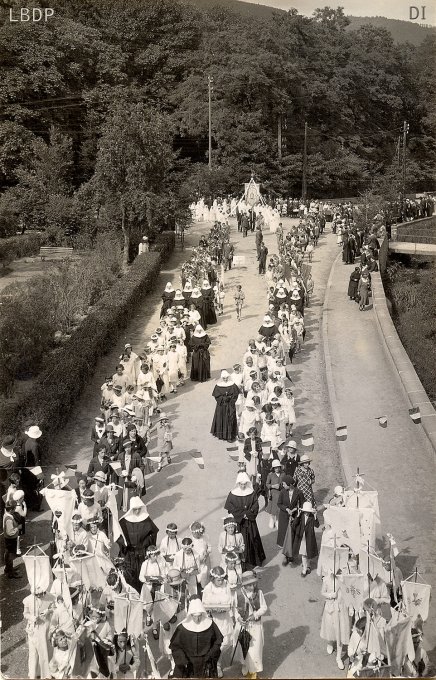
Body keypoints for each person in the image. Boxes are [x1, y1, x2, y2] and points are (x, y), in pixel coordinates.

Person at [169, 597, 223, 678]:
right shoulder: (182, 628)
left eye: (199, 616)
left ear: (203, 614)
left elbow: (218, 641)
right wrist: (183, 660)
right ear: (190, 615)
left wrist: (210, 655)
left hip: (206, 660)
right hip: (188, 662)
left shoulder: (210, 624)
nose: (197, 619)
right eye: (194, 616)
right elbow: (175, 646)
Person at [224, 472, 265, 569]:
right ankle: (240, 563)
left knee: (252, 538)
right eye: (241, 484)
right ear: (238, 483)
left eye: (244, 484)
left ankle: (253, 561)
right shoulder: (233, 494)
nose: (243, 486)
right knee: (239, 540)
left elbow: (255, 505)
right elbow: (231, 508)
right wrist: (242, 515)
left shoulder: (251, 493)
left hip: (250, 521)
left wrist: (248, 514)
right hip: (239, 523)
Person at [118, 496, 159, 592]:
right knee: (130, 574)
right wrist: (124, 544)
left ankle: (143, 594)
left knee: (142, 573)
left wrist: (146, 543)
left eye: (139, 509)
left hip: (142, 552)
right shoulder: (124, 521)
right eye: (135, 509)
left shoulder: (146, 519)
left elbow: (153, 533)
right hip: (129, 553)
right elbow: (118, 535)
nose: (137, 512)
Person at [234, 570, 267, 679]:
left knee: (255, 649)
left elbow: (264, 607)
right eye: (249, 585)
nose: (252, 587)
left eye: (254, 584)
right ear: (244, 585)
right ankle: (245, 666)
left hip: (255, 626)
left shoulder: (259, 593)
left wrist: (255, 615)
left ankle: (254, 672)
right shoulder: (238, 593)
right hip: (243, 626)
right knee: (244, 648)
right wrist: (238, 618)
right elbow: (234, 609)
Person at [202, 566, 234, 677]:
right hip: (213, 619)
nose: (221, 582)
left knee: (226, 643)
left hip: (224, 618)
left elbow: (231, 600)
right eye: (218, 580)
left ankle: (217, 661)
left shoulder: (226, 585)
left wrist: (225, 609)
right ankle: (215, 664)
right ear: (213, 579)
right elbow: (204, 604)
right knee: (214, 643)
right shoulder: (208, 588)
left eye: (222, 579)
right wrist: (212, 610)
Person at [277, 475, 305, 561]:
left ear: (290, 484)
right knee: (285, 536)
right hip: (284, 517)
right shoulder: (282, 492)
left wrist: (295, 509)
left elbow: (302, 504)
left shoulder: (299, 492)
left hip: (294, 517)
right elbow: (279, 503)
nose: (283, 485)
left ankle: (292, 554)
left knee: (293, 536)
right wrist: (286, 509)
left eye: (284, 484)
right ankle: (286, 555)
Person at [291, 501, 319, 576]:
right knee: (304, 554)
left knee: (308, 553)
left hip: (309, 538)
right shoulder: (300, 516)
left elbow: (317, 525)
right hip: (302, 537)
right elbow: (294, 525)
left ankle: (308, 565)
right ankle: (304, 569)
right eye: (305, 511)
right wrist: (297, 516)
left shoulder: (312, 517)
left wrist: (315, 516)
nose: (307, 513)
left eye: (308, 512)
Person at [211, 370, 240, 442]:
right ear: (222, 378)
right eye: (224, 378)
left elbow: (235, 394)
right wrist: (223, 399)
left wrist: (231, 400)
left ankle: (230, 436)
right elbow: (216, 396)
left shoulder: (232, 385)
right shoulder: (218, 385)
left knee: (231, 418)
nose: (225, 379)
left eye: (227, 378)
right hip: (222, 406)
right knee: (222, 418)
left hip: (230, 405)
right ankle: (222, 435)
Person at [3, 499, 22, 578]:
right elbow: (10, 532)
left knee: (7, 554)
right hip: (10, 540)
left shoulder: (7, 515)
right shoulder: (9, 519)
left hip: (8, 539)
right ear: (11, 510)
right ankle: (11, 573)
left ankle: (8, 568)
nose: (15, 510)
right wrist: (18, 528)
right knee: (10, 555)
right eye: (14, 509)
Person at [265, 459, 283, 530]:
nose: (277, 469)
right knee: (273, 508)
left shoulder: (283, 474)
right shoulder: (270, 475)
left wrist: (281, 486)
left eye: (278, 467)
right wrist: (272, 486)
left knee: (279, 508)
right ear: (273, 468)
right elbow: (267, 484)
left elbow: (285, 483)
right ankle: (272, 519)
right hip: (273, 494)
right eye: (275, 468)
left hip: (281, 493)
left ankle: (277, 520)